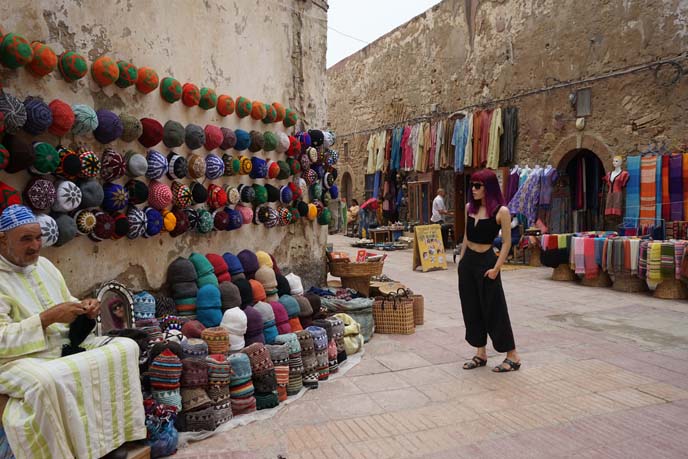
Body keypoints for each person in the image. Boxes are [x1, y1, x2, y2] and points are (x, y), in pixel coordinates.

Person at [0, 205, 145, 459]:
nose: (35, 246)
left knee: (127, 348)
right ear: (3, 240)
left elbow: (66, 302)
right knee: (44, 382)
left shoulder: (43, 265)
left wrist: (84, 308)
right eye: (26, 239)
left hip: (60, 345)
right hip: (14, 360)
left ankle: (107, 442)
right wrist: (47, 319)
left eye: (38, 238)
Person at [457, 170, 521, 373]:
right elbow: (467, 236)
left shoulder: (501, 211)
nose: (473, 190)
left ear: (489, 188)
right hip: (469, 263)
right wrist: (461, 261)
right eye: (472, 185)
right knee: (472, 307)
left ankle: (512, 355)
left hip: (487, 262)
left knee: (495, 308)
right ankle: (480, 352)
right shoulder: (469, 208)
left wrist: (496, 268)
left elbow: (507, 243)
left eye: (478, 186)